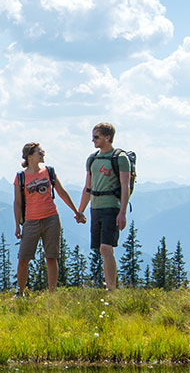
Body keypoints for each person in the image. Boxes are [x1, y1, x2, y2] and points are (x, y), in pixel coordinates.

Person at [13, 142, 84, 295]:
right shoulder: (20, 177)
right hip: (30, 221)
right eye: (40, 152)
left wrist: (76, 211)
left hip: (51, 218)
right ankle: (20, 292)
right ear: (30, 155)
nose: (43, 154)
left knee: (51, 257)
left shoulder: (49, 172)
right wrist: (18, 225)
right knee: (23, 258)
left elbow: (62, 192)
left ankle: (52, 293)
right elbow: (17, 202)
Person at [76, 123, 130, 290]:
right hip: (95, 208)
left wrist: (122, 212)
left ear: (108, 137)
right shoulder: (92, 159)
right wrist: (81, 210)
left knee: (106, 247)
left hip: (111, 207)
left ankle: (111, 288)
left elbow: (125, 185)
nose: (93, 140)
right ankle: (110, 285)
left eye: (97, 136)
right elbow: (88, 187)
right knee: (102, 248)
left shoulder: (120, 158)